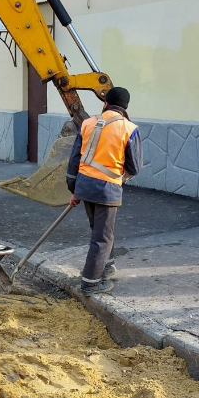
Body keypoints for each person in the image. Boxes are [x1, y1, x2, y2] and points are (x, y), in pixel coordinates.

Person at [66, 87, 142, 296]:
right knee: (103, 238)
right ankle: (90, 282)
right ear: (125, 108)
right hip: (107, 189)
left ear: (105, 104)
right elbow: (134, 167)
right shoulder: (129, 129)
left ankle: (106, 267)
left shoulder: (87, 124)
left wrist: (73, 190)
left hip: (84, 186)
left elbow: (74, 161)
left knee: (100, 231)